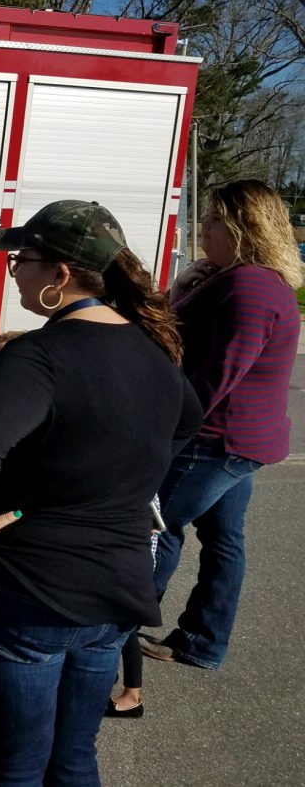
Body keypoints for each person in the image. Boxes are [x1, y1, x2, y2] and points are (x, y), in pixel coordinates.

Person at [0, 199, 202, 786]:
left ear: (60, 274)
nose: (14, 272)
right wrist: (122, 481)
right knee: (75, 756)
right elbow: (188, 420)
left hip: (33, 588)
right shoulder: (151, 348)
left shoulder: (39, 353)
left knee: (15, 763)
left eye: (22, 261)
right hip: (117, 590)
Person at [139, 179, 302, 670]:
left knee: (155, 527)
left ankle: (110, 634)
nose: (204, 227)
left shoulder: (250, 287)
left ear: (241, 227)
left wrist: (160, 429)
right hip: (234, 439)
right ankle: (203, 641)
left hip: (214, 441)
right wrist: (181, 290)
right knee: (223, 538)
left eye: (213, 219)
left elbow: (217, 378)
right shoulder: (236, 278)